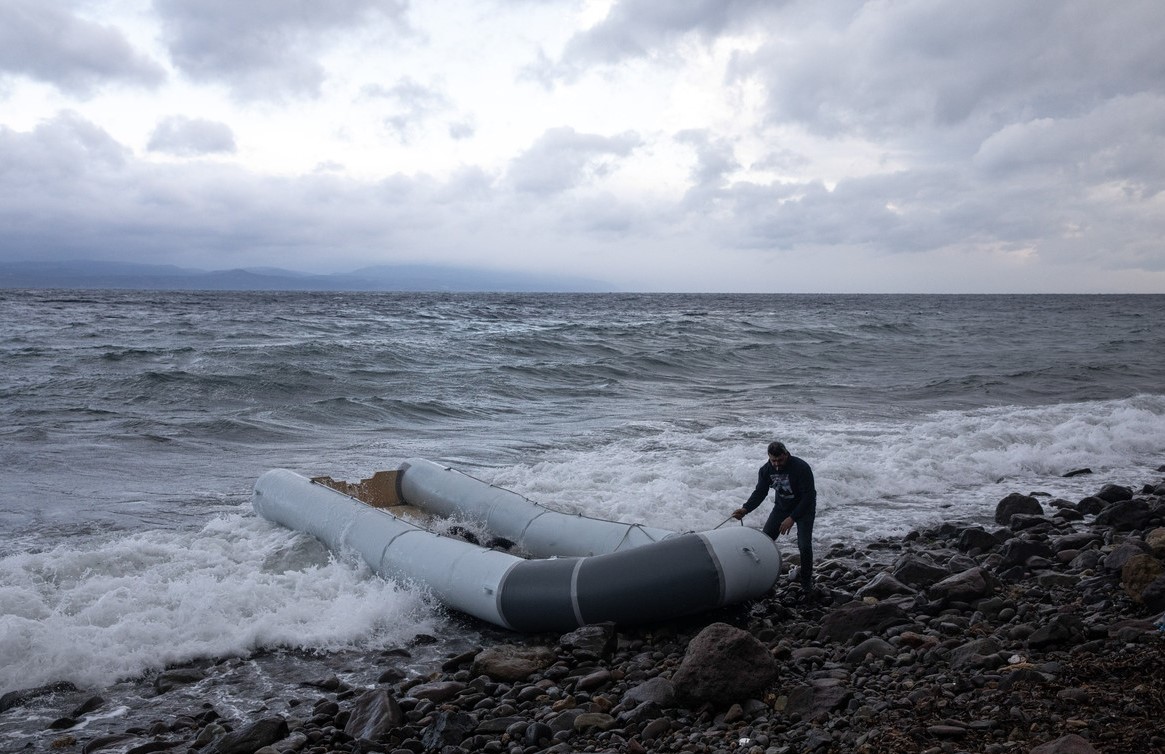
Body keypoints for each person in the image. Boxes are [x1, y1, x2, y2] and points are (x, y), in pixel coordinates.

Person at [732, 441, 818, 599]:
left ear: (786, 454)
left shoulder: (801, 467)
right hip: (781, 507)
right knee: (765, 540)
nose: (777, 465)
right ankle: (762, 578)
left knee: (804, 545)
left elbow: (809, 496)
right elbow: (760, 492)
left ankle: (806, 581)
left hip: (805, 508)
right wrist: (745, 509)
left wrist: (792, 518)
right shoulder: (766, 470)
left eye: (780, 460)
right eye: (773, 461)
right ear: (769, 458)